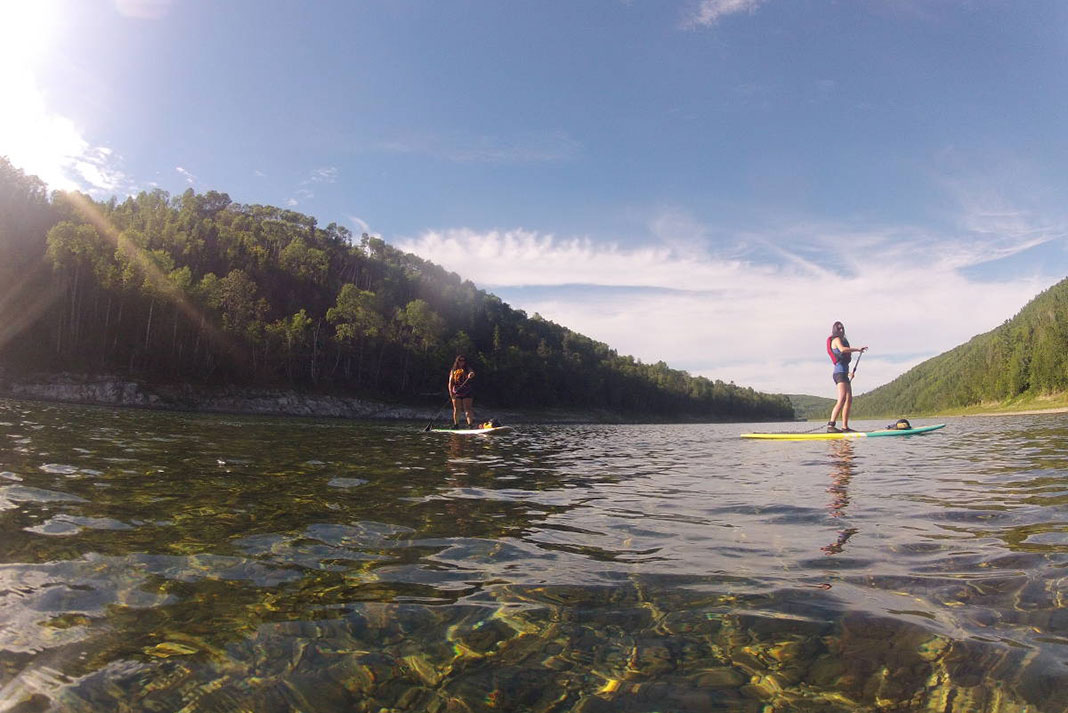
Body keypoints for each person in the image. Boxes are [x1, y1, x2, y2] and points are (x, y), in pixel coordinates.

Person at [826, 321, 868, 433]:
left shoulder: (844, 340)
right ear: (835, 330)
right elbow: (843, 350)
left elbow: (844, 361)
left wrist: (849, 374)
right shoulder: (836, 340)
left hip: (844, 373)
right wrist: (858, 349)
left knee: (849, 400)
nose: (841, 330)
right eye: (839, 328)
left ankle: (845, 427)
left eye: (842, 328)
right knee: (842, 399)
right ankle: (831, 425)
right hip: (839, 374)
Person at [448, 355, 475, 428]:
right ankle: (456, 425)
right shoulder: (453, 370)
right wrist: (451, 393)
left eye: (463, 360)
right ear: (457, 361)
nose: (462, 362)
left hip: (467, 390)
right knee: (457, 409)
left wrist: (471, 374)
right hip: (457, 391)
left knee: (468, 408)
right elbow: (450, 383)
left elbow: (472, 373)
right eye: (460, 360)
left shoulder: (468, 368)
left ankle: (470, 425)